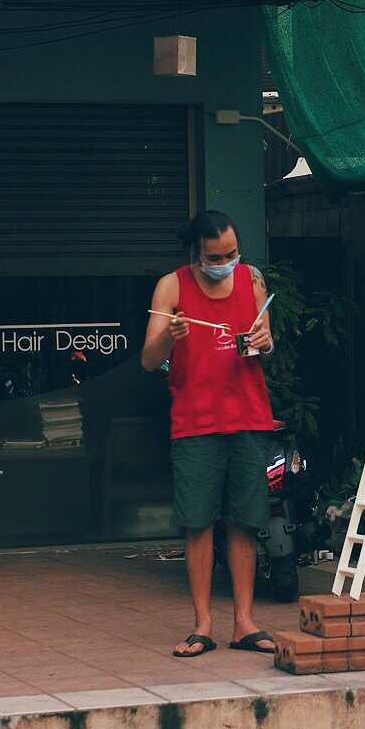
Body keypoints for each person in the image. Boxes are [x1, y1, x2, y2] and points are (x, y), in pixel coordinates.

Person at [139, 210, 279, 658]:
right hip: (196, 420)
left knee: (246, 519)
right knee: (198, 522)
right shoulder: (172, 285)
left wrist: (264, 341)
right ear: (197, 254)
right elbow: (148, 359)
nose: (226, 262)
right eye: (215, 256)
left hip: (249, 415)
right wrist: (172, 337)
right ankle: (202, 625)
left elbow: (267, 342)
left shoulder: (251, 279)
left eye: (232, 254)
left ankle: (244, 623)